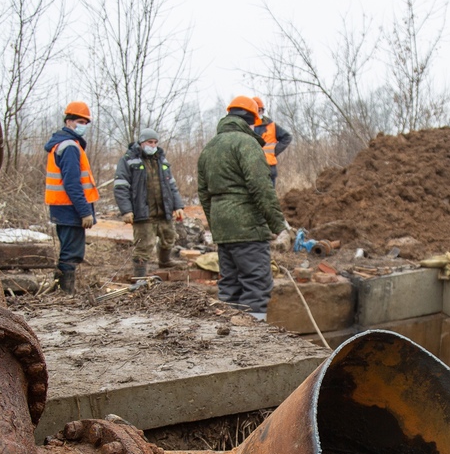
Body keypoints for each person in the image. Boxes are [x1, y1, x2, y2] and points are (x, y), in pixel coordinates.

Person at [197, 96, 288, 320]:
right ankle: (253, 342)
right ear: (252, 120)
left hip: (223, 228)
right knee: (256, 284)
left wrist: (217, 223)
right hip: (248, 227)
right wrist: (278, 225)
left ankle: (229, 337)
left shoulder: (210, 147)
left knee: (230, 285)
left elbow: (203, 192)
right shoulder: (247, 143)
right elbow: (261, 187)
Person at [114, 127, 186, 278]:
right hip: (143, 212)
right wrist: (126, 210)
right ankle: (140, 276)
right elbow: (121, 187)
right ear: (141, 142)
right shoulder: (128, 160)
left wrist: (178, 206)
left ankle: (164, 261)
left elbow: (171, 185)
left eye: (155, 142)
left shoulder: (161, 160)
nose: (152, 145)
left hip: (163, 210)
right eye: (149, 142)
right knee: (144, 245)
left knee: (170, 237)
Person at [44, 101, 99, 293]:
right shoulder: (69, 147)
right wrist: (85, 212)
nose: (83, 125)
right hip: (69, 208)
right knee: (70, 253)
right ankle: (65, 293)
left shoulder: (65, 144)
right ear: (68, 121)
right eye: (79, 121)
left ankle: (60, 290)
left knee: (68, 251)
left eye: (85, 122)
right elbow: (72, 184)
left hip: (63, 207)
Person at [252, 97, 292, 188]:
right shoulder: (246, 126)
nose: (258, 112)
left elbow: (287, 137)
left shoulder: (271, 125)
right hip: (251, 167)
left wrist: (274, 151)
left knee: (270, 196)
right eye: (256, 110)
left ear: (262, 110)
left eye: (260, 110)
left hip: (269, 166)